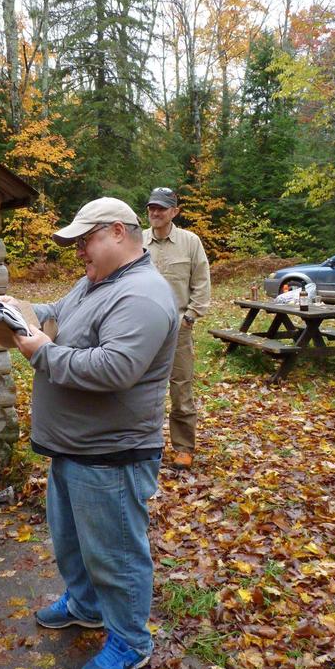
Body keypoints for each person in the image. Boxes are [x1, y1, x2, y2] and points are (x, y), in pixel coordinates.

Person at [0, 197, 179, 669]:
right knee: (74, 544)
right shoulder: (94, 282)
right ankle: (85, 606)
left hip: (112, 455)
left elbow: (115, 368)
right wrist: (19, 311)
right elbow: (58, 314)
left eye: (84, 240)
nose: (77, 251)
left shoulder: (142, 295)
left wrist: (42, 353)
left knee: (115, 555)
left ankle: (131, 642)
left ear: (118, 232)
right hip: (73, 447)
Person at [142, 187, 210, 471]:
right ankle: (145, 445)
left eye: (161, 208)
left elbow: (202, 282)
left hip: (178, 326)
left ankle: (183, 447)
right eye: (151, 208)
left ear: (174, 211)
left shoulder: (190, 242)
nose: (155, 213)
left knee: (181, 388)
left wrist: (190, 317)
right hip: (142, 327)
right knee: (141, 388)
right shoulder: (138, 242)